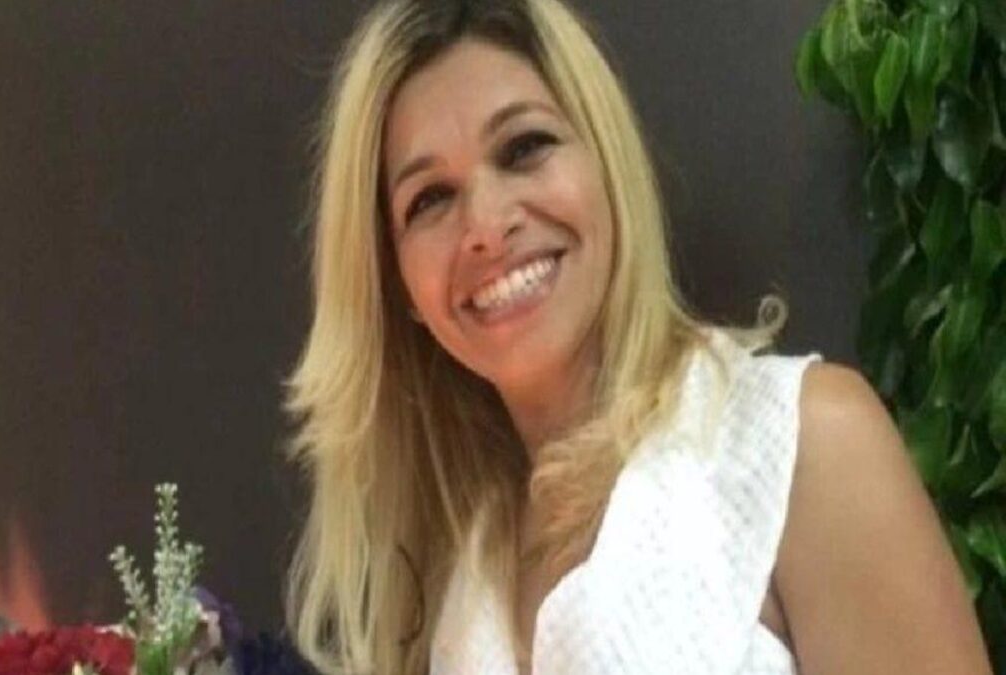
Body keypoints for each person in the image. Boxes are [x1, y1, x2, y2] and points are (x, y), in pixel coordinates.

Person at [282, 0, 991, 673]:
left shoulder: (801, 441)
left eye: (524, 148)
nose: (487, 227)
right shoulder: (448, 573)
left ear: (606, 163)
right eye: (430, 199)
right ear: (396, 282)